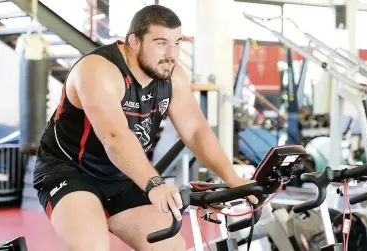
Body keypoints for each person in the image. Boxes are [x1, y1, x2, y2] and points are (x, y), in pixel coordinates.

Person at [33, 4, 256, 251]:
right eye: (161, 43)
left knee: (170, 247)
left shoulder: (172, 75)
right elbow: (114, 136)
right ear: (134, 41)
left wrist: (233, 179)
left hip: (123, 173)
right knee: (92, 247)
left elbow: (194, 129)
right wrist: (154, 184)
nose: (171, 54)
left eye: (177, 43)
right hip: (71, 171)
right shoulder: (98, 70)